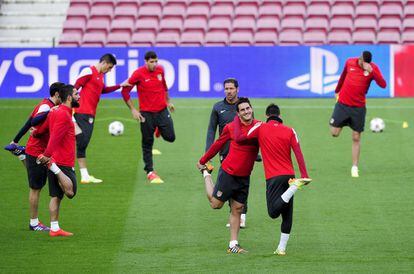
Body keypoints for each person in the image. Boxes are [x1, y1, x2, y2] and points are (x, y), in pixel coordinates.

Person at [234, 103, 311, 256]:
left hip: (273, 177)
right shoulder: (290, 130)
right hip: (290, 176)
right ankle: (281, 249)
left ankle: (295, 187)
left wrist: (237, 118)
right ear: (280, 116)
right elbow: (298, 153)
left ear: (267, 116)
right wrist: (304, 174)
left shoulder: (261, 127)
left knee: (273, 212)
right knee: (287, 215)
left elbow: (239, 138)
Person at [197, 97, 259, 254]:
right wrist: (203, 161)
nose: (246, 112)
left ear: (252, 109)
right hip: (228, 173)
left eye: (248, 108)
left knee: (237, 209)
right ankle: (206, 174)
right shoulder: (231, 128)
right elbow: (218, 144)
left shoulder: (259, 127)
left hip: (245, 176)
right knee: (215, 205)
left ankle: (233, 244)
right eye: (243, 110)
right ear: (238, 114)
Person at [6, 82, 64, 231]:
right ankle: (34, 223)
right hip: (38, 151)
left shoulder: (45, 104)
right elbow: (33, 121)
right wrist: (50, 112)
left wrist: (15, 140)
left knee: (37, 180)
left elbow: (28, 123)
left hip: (37, 150)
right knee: (36, 188)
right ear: (57, 94)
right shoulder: (47, 107)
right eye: (62, 93)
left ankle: (21, 154)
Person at [205, 78, 254, 228]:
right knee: (231, 183)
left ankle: (242, 215)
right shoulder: (218, 107)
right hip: (226, 152)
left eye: (231, 88)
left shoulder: (244, 107)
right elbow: (211, 130)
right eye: (226, 88)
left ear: (237, 89)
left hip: (244, 152)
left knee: (242, 182)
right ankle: (235, 215)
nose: (229, 91)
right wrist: (208, 152)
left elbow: (252, 128)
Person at [329, 50, 386, 178]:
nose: (365, 66)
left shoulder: (372, 68)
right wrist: (337, 90)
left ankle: (354, 167)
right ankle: (344, 122)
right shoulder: (350, 62)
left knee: (356, 137)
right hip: (343, 104)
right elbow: (343, 77)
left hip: (358, 108)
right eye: (364, 64)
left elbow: (383, 84)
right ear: (360, 59)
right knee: (334, 133)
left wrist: (372, 71)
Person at [121, 50, 175, 184]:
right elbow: (125, 91)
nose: (155, 64)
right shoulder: (138, 74)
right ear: (145, 62)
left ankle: (159, 129)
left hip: (162, 110)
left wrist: (168, 102)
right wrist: (133, 110)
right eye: (152, 62)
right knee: (147, 142)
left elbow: (164, 87)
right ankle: (150, 171)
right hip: (146, 114)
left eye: (156, 61)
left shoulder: (160, 70)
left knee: (170, 137)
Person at [74, 53, 126, 184]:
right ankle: (72, 170)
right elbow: (74, 88)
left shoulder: (100, 76)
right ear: (103, 62)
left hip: (90, 114)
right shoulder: (88, 71)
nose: (108, 71)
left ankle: (84, 176)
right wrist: (70, 108)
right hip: (81, 112)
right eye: (108, 67)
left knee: (82, 143)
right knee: (81, 142)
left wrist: (120, 86)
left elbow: (103, 90)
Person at [37, 84, 80, 237]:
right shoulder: (64, 114)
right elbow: (55, 137)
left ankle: (54, 228)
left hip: (55, 158)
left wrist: (36, 133)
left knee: (56, 196)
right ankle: (53, 168)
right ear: (69, 97)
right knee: (70, 192)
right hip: (61, 161)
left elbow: (46, 129)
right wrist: (49, 157)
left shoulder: (56, 111)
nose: (78, 96)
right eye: (76, 94)